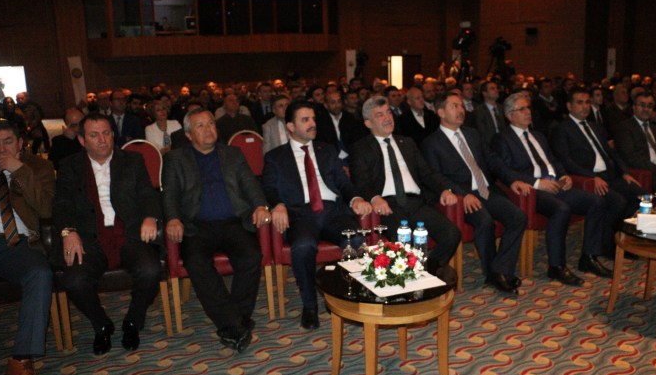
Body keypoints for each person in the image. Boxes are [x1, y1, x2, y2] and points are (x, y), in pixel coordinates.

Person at [162, 107, 271, 353]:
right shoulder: (176, 159)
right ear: (188, 134)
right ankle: (235, 321)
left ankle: (233, 323)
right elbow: (170, 193)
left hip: (233, 222)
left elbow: (250, 183)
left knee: (251, 256)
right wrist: (173, 218)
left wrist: (260, 205)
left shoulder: (232, 153)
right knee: (196, 262)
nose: (208, 129)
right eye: (200, 126)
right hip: (196, 226)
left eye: (211, 123)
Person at [53, 112, 162, 355]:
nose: (102, 140)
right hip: (89, 238)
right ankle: (101, 324)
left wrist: (150, 217)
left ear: (113, 135)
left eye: (106, 133)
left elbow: (148, 193)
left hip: (129, 233)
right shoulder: (70, 166)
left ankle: (133, 320)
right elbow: (62, 204)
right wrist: (68, 231)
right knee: (74, 280)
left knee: (151, 270)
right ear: (82, 140)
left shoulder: (132, 160)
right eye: (94, 135)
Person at [263, 101, 372, 328]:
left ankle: (349, 297)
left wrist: (355, 199)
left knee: (356, 239)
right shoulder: (276, 157)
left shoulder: (327, 150)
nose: (313, 124)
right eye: (305, 120)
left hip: (332, 211)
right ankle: (310, 305)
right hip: (300, 214)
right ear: (291, 126)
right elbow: (269, 189)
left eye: (313, 119)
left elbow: (343, 183)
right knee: (303, 246)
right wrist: (278, 205)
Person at [492, 92, 611, 286]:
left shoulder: (538, 135)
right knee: (561, 209)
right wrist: (537, 183)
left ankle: (589, 257)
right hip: (533, 191)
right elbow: (505, 171)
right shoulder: (502, 139)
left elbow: (553, 160)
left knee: (596, 202)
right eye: (522, 109)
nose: (528, 112)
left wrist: (564, 175)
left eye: (528, 108)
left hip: (556, 185)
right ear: (509, 115)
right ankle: (557, 266)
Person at [423, 94, 529, 294]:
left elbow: (493, 160)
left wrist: (512, 180)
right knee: (485, 221)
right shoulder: (432, 143)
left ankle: (498, 271)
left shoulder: (473, 134)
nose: (461, 110)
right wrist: (462, 194)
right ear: (441, 112)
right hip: (462, 196)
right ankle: (494, 274)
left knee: (518, 217)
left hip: (486, 191)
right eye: (454, 106)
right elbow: (436, 177)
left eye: (461, 105)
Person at [349, 97, 461, 276]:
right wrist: (375, 198)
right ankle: (420, 275)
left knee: (452, 234)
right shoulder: (360, 148)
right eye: (380, 115)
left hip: (416, 203)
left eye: (388, 112)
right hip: (389, 206)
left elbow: (427, 173)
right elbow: (360, 182)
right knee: (403, 244)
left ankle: (426, 271)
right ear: (368, 123)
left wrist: (444, 189)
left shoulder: (407, 143)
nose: (387, 118)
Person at [0, 118, 54, 375]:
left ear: (20, 143)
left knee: (40, 273)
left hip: (17, 245)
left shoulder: (38, 168)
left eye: (7, 142)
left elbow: (46, 209)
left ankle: (21, 362)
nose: (1, 150)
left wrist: (19, 170)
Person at [550, 87, 645, 255]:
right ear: (569, 106)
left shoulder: (595, 127)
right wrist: (592, 177)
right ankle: (607, 244)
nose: (585, 106)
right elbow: (566, 161)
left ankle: (622, 240)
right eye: (580, 103)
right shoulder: (562, 129)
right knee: (617, 202)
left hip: (610, 175)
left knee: (640, 196)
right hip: (587, 179)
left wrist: (625, 172)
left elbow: (612, 152)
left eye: (587, 102)